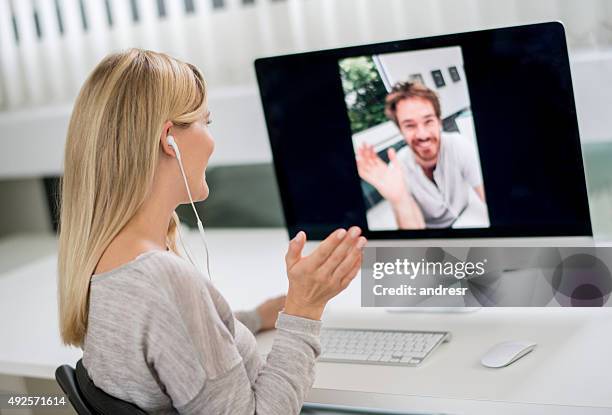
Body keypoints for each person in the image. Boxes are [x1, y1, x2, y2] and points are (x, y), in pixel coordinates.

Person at [57, 49, 366, 414]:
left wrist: (248, 319)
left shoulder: (106, 256)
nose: (212, 140)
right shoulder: (162, 280)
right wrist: (304, 308)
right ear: (168, 139)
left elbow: (177, 342)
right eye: (207, 122)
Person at [356, 81, 486, 229]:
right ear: (401, 130)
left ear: (439, 122)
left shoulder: (458, 144)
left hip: (466, 215)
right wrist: (400, 200)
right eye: (410, 125)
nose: (422, 135)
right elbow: (413, 235)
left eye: (428, 121)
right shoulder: (398, 168)